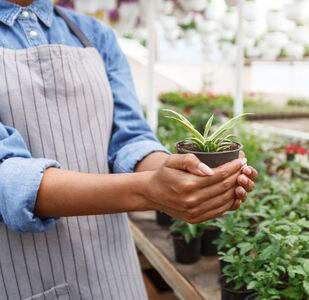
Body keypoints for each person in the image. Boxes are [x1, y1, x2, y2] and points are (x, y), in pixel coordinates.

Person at [0, 0, 258, 299]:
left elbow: (130, 138)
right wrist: (148, 190)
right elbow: (8, 179)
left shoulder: (92, 33)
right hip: (21, 275)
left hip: (112, 268)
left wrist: (178, 174)